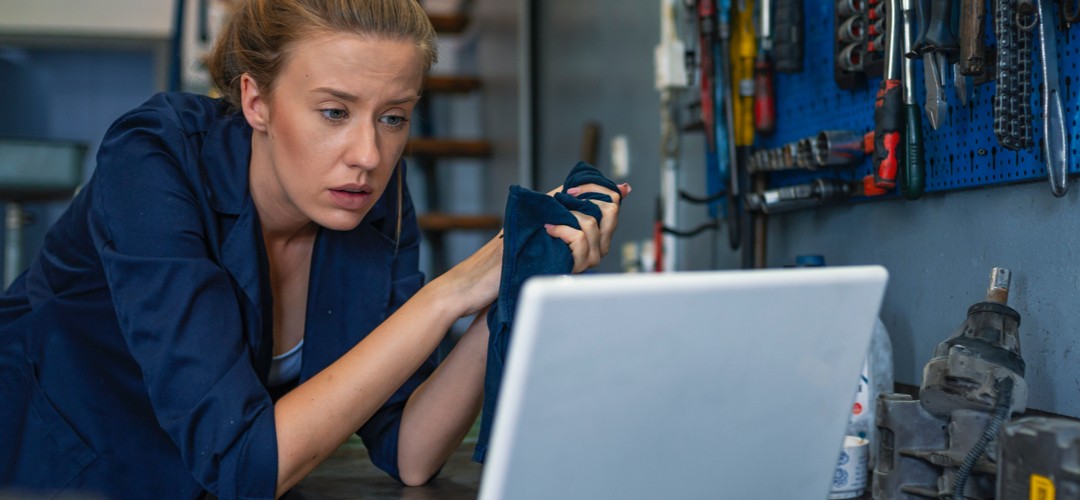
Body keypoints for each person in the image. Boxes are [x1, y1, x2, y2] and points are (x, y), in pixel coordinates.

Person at [0, 0, 629, 498]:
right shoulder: (152, 161)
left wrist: (506, 281)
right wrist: (448, 292)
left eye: (394, 117)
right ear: (256, 101)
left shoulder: (371, 198)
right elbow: (242, 464)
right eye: (334, 111)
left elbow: (410, 452)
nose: (369, 155)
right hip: (51, 475)